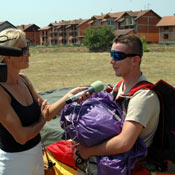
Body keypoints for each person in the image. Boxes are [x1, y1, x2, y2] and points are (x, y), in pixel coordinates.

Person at [0, 28, 88, 175]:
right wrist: (42, 119)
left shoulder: (24, 80)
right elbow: (21, 137)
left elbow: (47, 111)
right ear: (8, 56)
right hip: (13, 164)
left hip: (36, 157)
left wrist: (69, 96)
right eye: (23, 50)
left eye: (28, 48)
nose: (29, 54)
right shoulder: (1, 91)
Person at [77, 35, 160, 174]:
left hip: (130, 168)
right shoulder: (118, 88)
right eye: (111, 55)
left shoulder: (143, 96)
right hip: (110, 164)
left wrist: (87, 151)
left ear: (135, 60)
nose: (111, 61)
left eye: (117, 55)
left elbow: (124, 143)